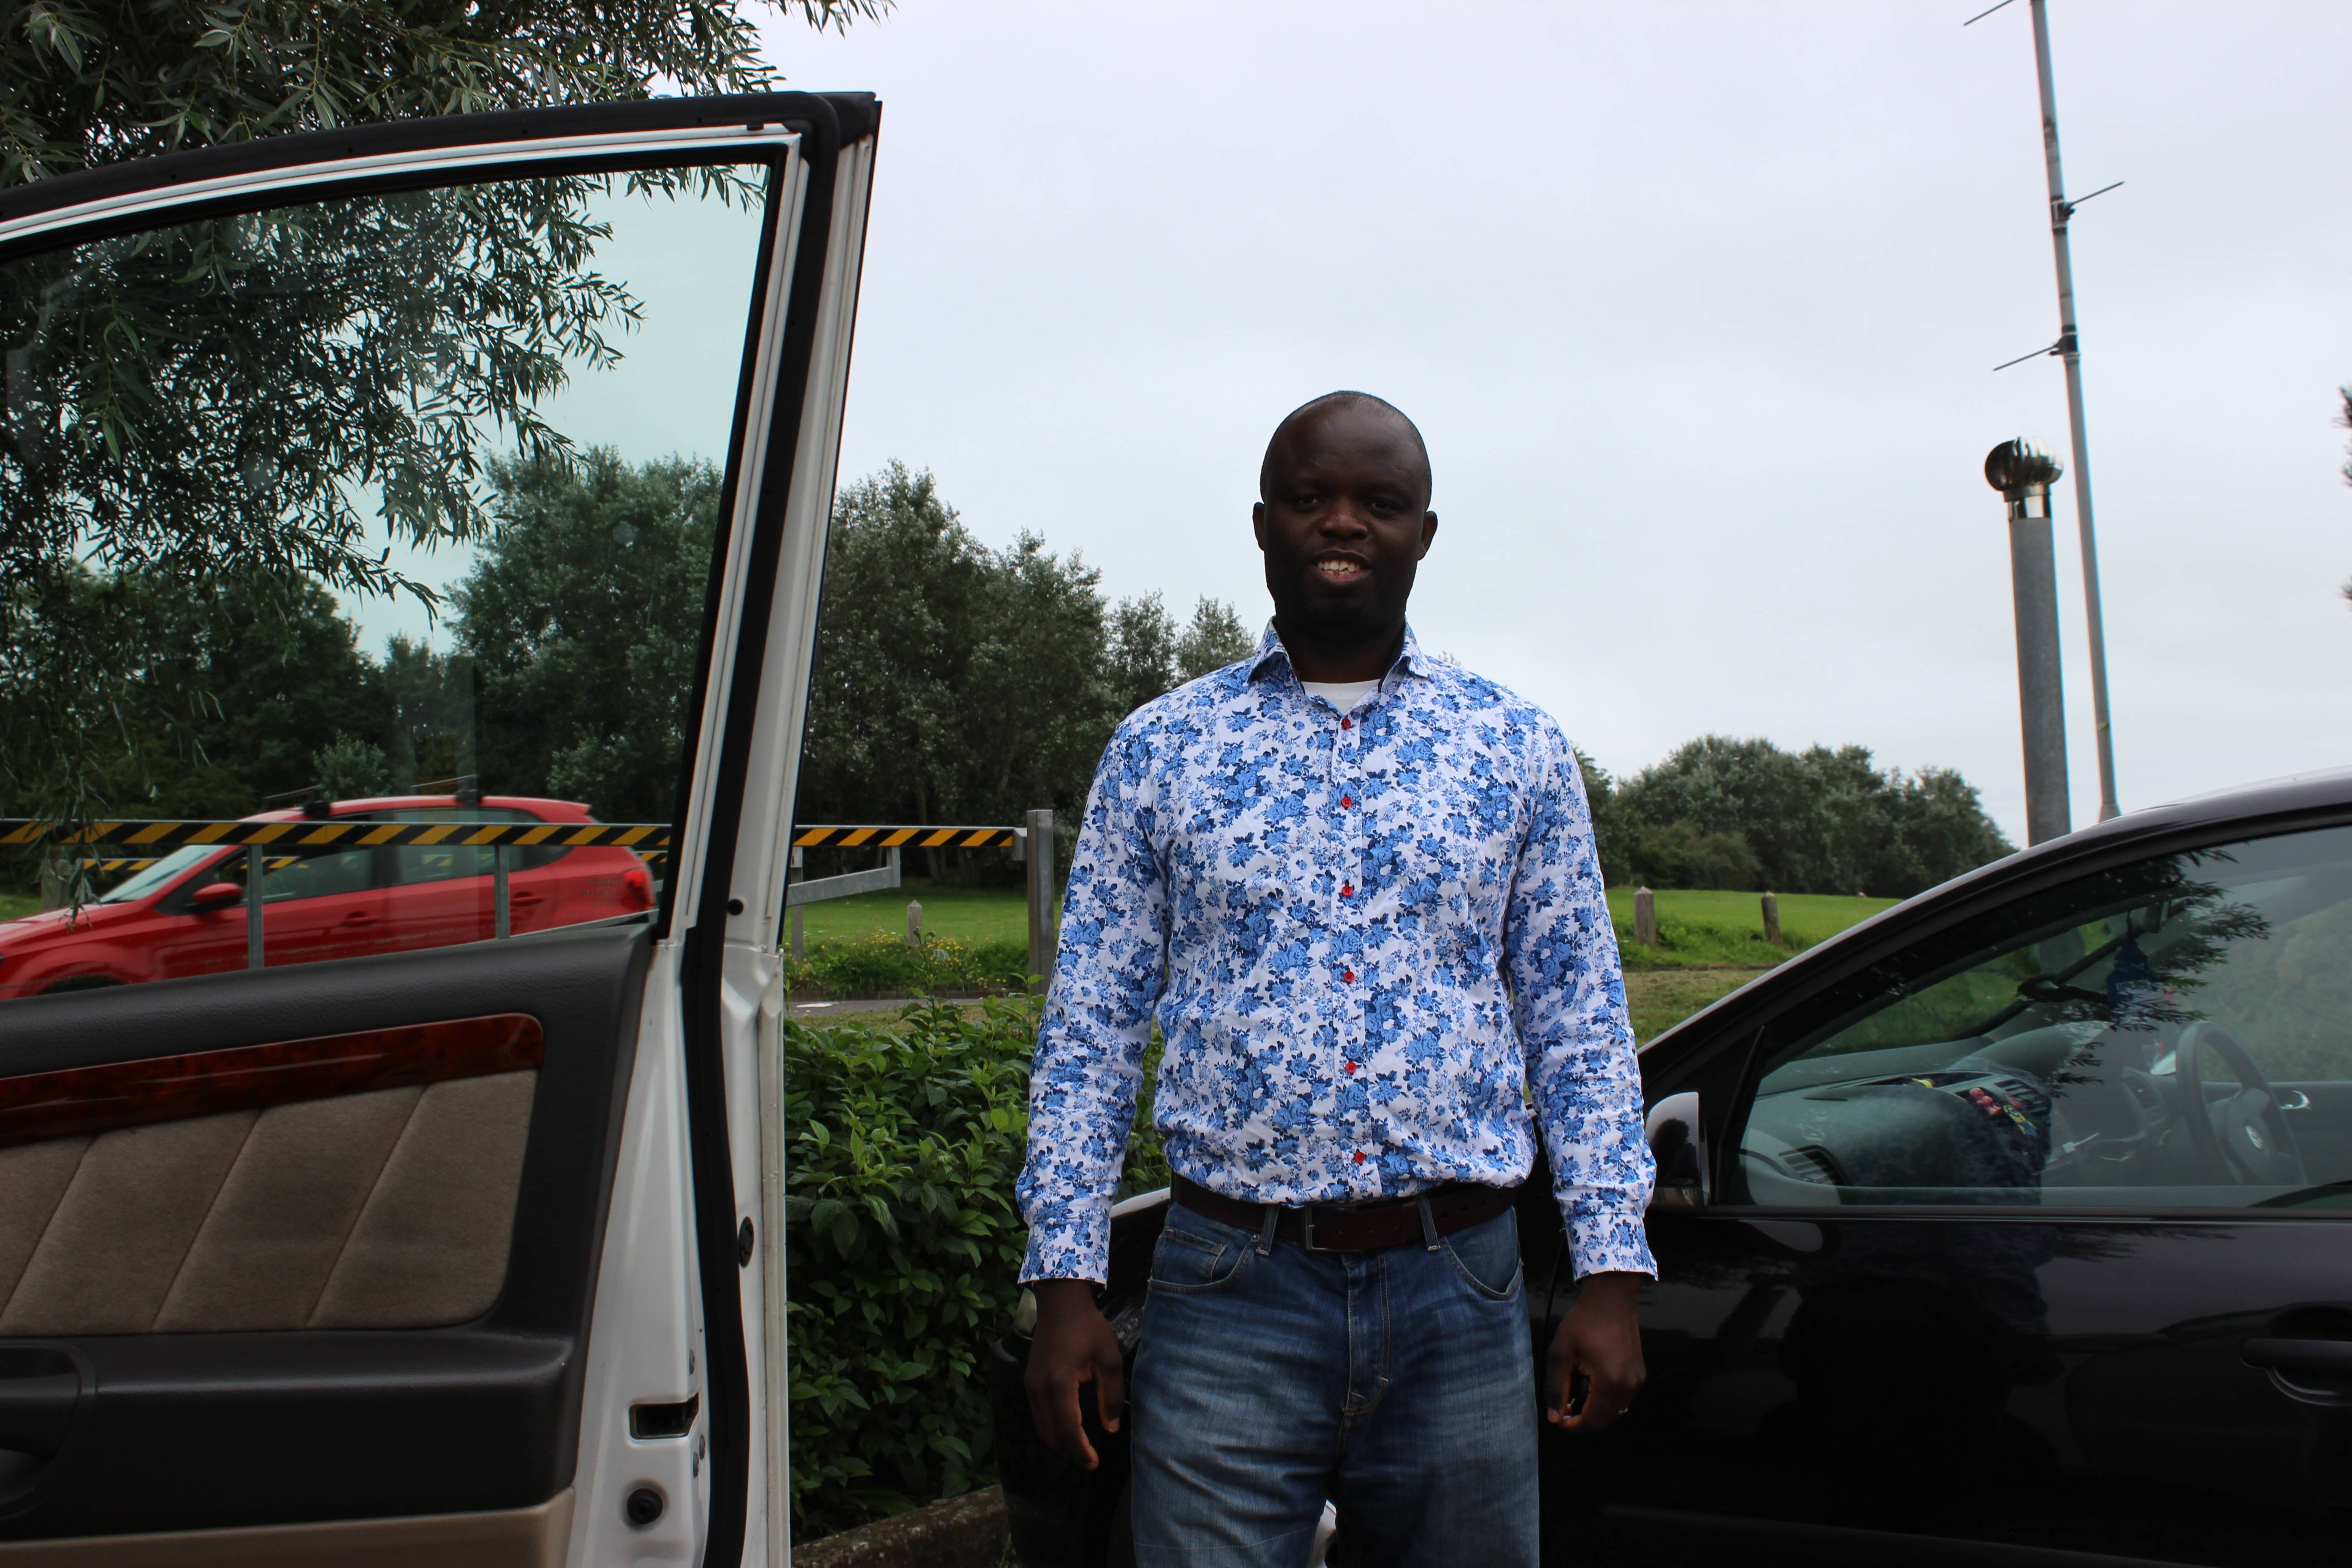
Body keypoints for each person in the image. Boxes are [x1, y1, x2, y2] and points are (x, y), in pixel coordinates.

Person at [1016, 390, 1654, 1568]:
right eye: (1311, 498)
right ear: (1264, 523)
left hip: (1461, 1285)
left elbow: (1577, 1020)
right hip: (1230, 1287)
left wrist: (1611, 1268)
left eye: (1381, 501)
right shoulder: (1161, 749)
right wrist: (1065, 1280)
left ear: (1425, 532)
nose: (1344, 523)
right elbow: (1091, 1028)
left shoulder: (1515, 747)